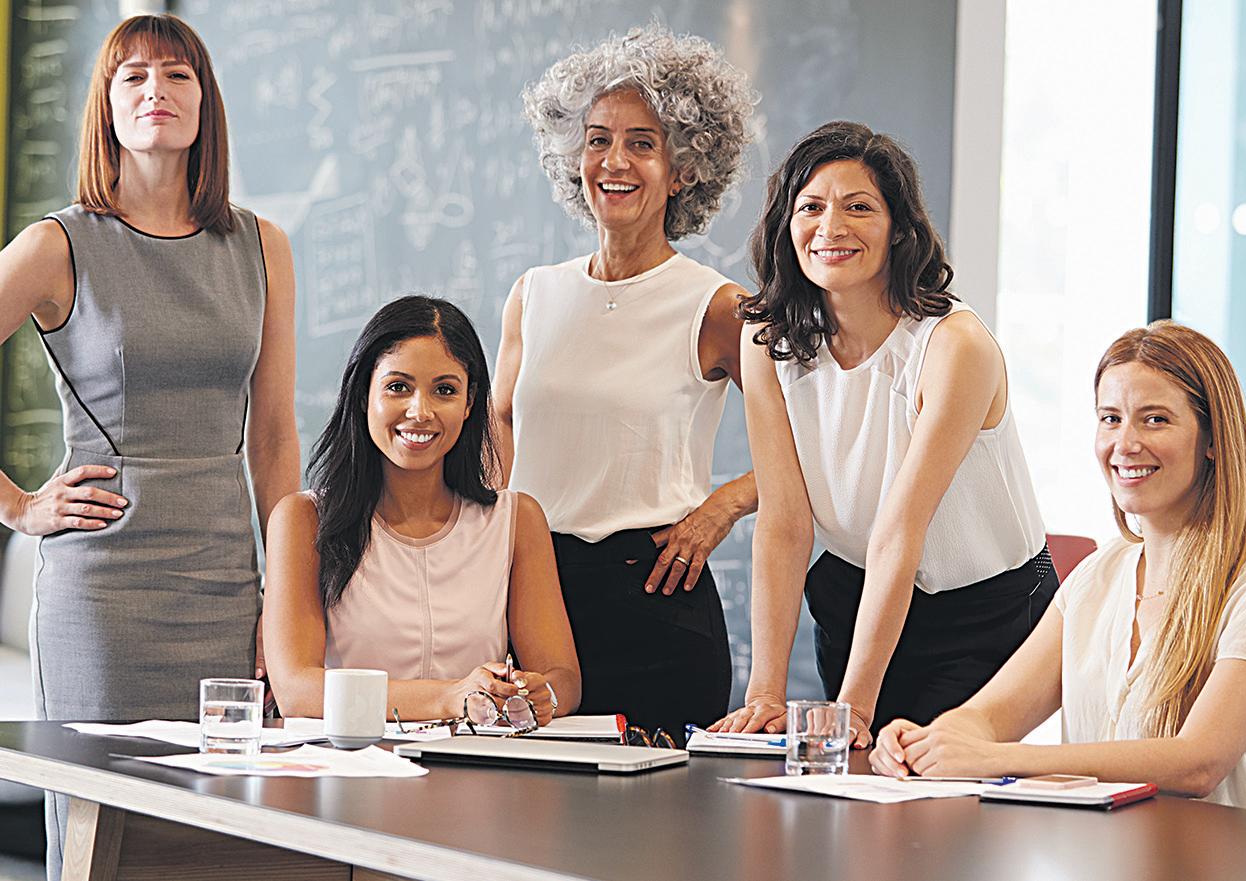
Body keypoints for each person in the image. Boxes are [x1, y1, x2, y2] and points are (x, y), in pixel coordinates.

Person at [0, 14, 299, 878]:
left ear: (205, 103)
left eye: (176, 75)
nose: (154, 92)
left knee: (219, 843)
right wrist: (20, 506)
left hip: (224, 589)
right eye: (131, 77)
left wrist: (283, 598)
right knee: (106, 842)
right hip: (101, 599)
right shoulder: (60, 243)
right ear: (105, 107)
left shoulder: (261, 246)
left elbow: (275, 439)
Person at [870, 321, 1246, 814]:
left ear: (1212, 438)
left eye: (1156, 419)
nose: (1125, 443)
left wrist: (997, 759)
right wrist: (926, 741)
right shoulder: (1096, 577)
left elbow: (1198, 762)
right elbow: (986, 717)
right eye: (1110, 418)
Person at [713, 122, 1055, 747]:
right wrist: (764, 691)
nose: (831, 228)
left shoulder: (955, 346)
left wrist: (854, 711)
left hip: (985, 608)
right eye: (810, 207)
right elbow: (787, 522)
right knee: (857, 804)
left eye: (859, 207)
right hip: (855, 589)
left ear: (900, 228)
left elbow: (902, 531)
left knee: (936, 795)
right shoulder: (768, 340)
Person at [493, 25, 758, 740]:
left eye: (643, 142)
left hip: (658, 602)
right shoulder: (533, 293)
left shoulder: (717, 306)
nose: (615, 161)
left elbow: (811, 444)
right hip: (534, 599)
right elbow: (498, 434)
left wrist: (721, 508)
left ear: (685, 169)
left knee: (653, 845)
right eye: (598, 139)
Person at [263, 296, 580, 727]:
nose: (420, 411)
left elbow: (562, 679)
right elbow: (297, 690)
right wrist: (449, 698)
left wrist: (539, 695)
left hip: (478, 773)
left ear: (470, 404)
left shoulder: (516, 519)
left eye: (445, 390)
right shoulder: (302, 519)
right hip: (352, 775)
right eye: (398, 387)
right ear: (363, 395)